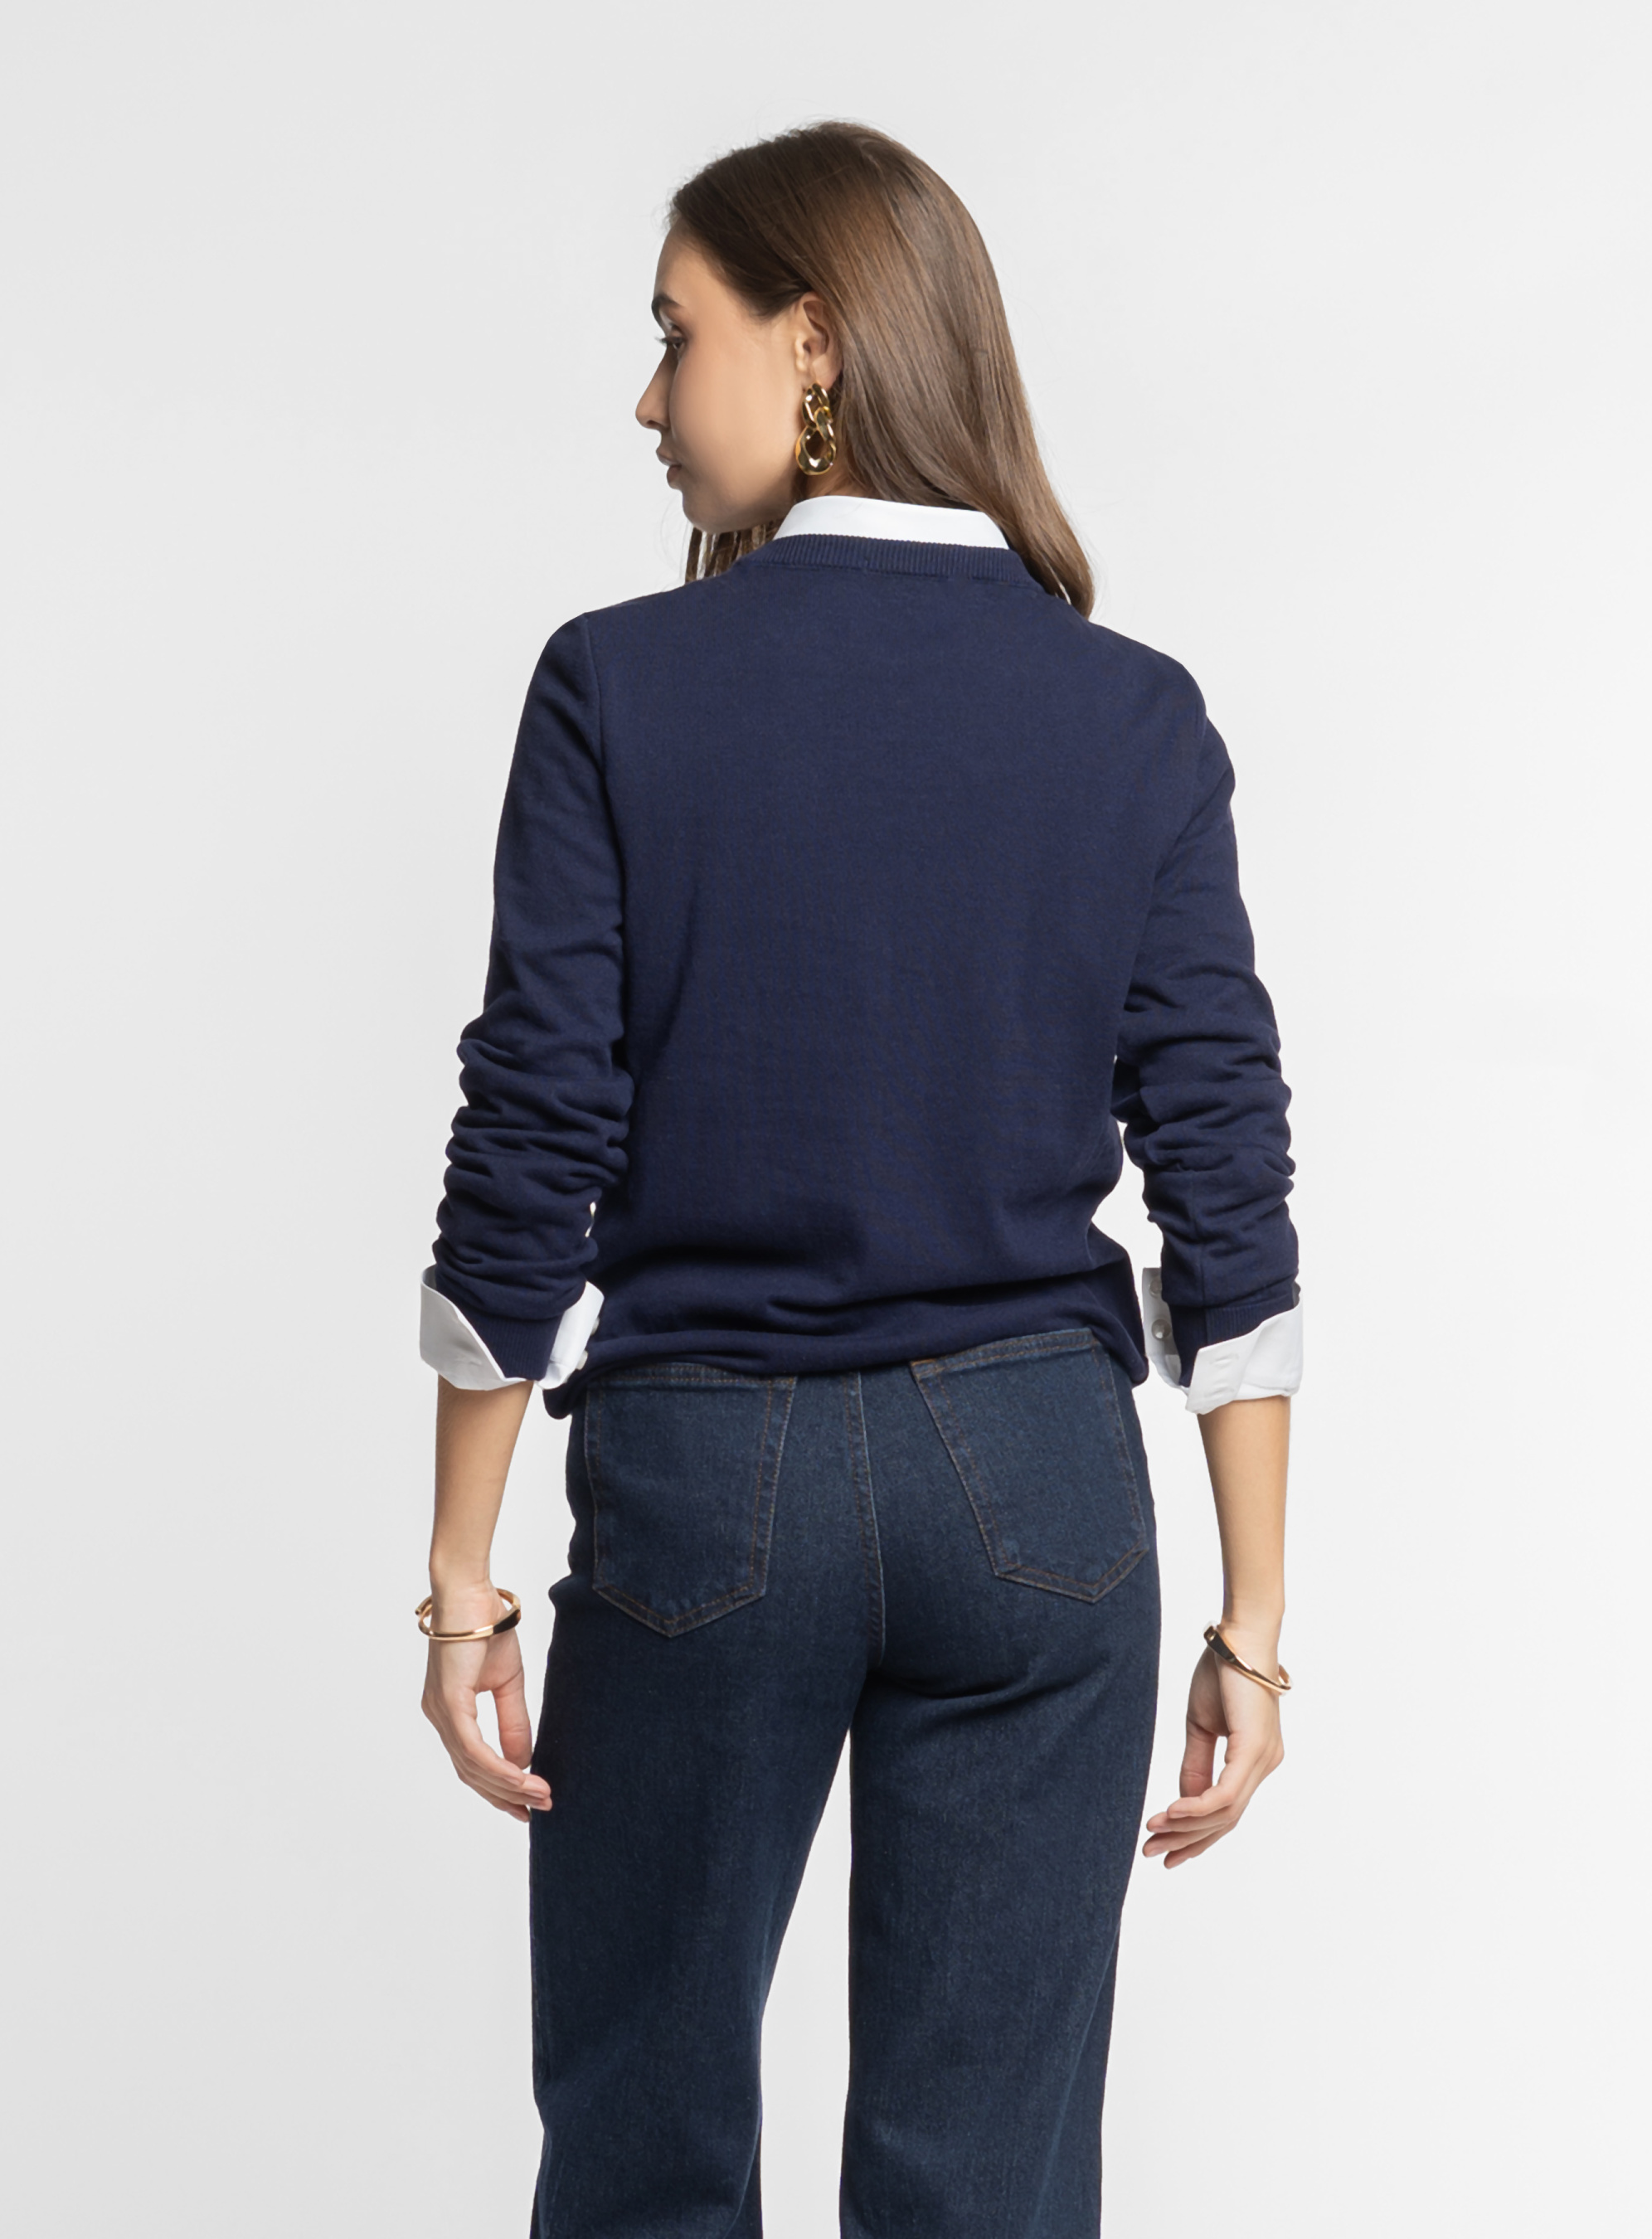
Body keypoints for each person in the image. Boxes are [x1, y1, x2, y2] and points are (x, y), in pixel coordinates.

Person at [415, 120, 1300, 2239]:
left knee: (640, 2165)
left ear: (810, 342)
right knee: (985, 2190)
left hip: (707, 1486)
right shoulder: (1131, 718)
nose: (646, 400)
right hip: (1041, 1501)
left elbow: (534, 1131)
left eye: (674, 337)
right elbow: (1223, 1173)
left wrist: (459, 1574)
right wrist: (1254, 1621)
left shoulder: (616, 684)